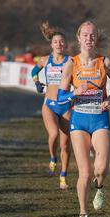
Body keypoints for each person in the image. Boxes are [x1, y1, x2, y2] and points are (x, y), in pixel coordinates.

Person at [57, 21, 110, 217]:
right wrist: (75, 92)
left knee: (101, 168)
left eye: (92, 35)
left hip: (100, 118)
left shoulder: (105, 62)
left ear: (96, 38)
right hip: (79, 121)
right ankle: (83, 214)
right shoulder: (71, 64)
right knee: (85, 172)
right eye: (85, 35)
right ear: (79, 38)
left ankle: (99, 186)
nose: (89, 38)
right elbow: (60, 96)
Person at [31, 22, 71, 190]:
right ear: (51, 44)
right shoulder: (45, 60)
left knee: (65, 145)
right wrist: (37, 83)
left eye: (62, 42)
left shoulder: (71, 61)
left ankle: (63, 177)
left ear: (65, 44)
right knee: (53, 133)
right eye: (56, 42)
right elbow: (34, 71)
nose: (59, 44)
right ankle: (53, 158)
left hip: (66, 105)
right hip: (49, 104)